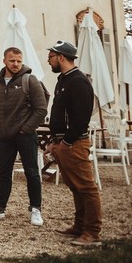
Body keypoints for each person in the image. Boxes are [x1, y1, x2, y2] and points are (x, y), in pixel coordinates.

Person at [0, 47, 47, 226]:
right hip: (4, 136)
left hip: (25, 135)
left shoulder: (29, 80)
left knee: (32, 172)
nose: (15, 64)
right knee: (3, 173)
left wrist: (25, 128)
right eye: (12, 60)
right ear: (4, 61)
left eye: (18, 61)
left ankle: (36, 209)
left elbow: (41, 109)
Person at [43, 40, 102, 247]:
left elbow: (80, 118)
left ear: (60, 57)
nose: (48, 61)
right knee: (75, 187)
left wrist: (66, 142)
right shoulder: (63, 80)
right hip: (63, 142)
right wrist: (53, 142)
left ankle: (92, 232)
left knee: (86, 187)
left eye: (50, 57)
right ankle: (79, 225)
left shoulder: (78, 81)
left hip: (74, 143)